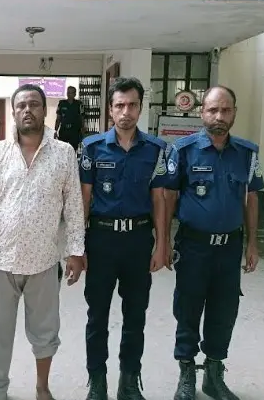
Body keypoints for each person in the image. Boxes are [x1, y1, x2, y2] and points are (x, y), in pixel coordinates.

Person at [0, 83, 86, 400]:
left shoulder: (64, 153)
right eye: (21, 105)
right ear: (13, 112)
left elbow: (74, 206)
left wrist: (75, 252)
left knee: (45, 333)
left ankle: (42, 387)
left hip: (44, 261)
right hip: (1, 260)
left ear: (44, 110)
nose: (27, 110)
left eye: (34, 104)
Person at [163, 85, 264, 400]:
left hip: (229, 247)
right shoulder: (182, 150)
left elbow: (251, 198)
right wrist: (163, 241)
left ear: (234, 113)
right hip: (193, 246)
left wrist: (252, 243)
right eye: (212, 110)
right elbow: (168, 196)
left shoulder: (247, 153)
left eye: (225, 110)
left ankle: (214, 374)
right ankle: (186, 373)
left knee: (224, 310)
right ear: (202, 112)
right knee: (188, 307)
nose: (219, 116)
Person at [79, 77, 170, 400]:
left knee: (135, 315)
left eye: (132, 105)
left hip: (138, 240)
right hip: (101, 241)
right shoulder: (92, 148)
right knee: (97, 316)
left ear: (140, 108)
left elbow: (159, 199)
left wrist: (162, 244)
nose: (126, 112)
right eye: (119, 105)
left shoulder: (156, 150)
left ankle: (129, 382)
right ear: (110, 109)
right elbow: (83, 199)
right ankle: (97, 382)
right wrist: (78, 246)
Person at [55, 85, 85, 151]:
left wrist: (83, 131)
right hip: (64, 131)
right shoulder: (62, 103)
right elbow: (58, 118)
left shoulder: (79, 104)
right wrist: (55, 130)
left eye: (71, 93)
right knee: (62, 150)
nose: (69, 94)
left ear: (75, 94)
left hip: (74, 131)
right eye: (68, 92)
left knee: (73, 151)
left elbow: (82, 118)